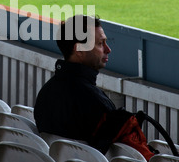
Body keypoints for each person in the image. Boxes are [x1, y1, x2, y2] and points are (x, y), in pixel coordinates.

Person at [34, 14, 132, 154]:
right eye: (100, 43)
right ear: (79, 49)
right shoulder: (95, 102)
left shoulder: (45, 92)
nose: (108, 49)